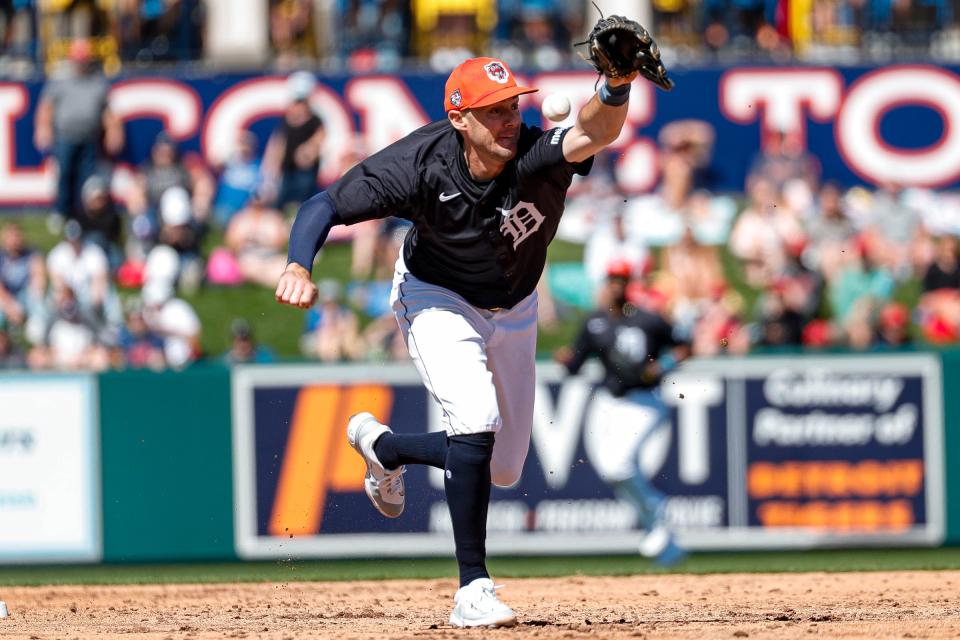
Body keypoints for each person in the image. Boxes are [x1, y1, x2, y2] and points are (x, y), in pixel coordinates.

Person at [276, 54, 644, 627]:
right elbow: (323, 204)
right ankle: (473, 588)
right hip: (436, 296)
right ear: (459, 118)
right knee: (474, 417)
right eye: (491, 111)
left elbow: (597, 129)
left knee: (503, 466)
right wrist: (300, 265)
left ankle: (387, 448)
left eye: (511, 107)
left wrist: (616, 84)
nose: (506, 120)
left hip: (516, 305)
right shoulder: (417, 164)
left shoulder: (535, 154)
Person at [555, 260, 689, 566]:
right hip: (607, 401)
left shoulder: (648, 319)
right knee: (610, 470)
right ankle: (656, 525)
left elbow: (684, 345)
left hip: (644, 399)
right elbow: (575, 363)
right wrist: (566, 360)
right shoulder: (595, 321)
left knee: (617, 466)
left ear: (630, 283)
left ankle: (656, 510)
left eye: (621, 278)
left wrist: (663, 365)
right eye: (612, 278)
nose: (616, 284)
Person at [33, 39, 124, 222]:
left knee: (87, 177)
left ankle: (84, 213)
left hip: (89, 137)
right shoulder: (60, 79)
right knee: (65, 173)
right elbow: (46, 107)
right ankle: (61, 211)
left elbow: (107, 111)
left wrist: (114, 131)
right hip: (65, 135)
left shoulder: (97, 82)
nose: (82, 63)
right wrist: (43, 128)